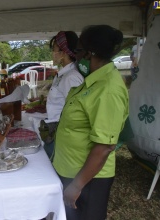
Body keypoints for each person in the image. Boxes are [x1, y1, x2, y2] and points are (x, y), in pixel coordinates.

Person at [52, 25, 129, 220]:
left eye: (76, 51)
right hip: (71, 170)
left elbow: (104, 146)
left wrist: (77, 185)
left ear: (89, 53)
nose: (74, 56)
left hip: (87, 179)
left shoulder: (108, 89)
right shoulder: (92, 80)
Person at [43, 31, 84, 158]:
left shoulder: (72, 77)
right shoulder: (64, 74)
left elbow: (77, 112)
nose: (52, 54)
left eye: (54, 49)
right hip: (56, 132)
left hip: (63, 135)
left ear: (64, 53)